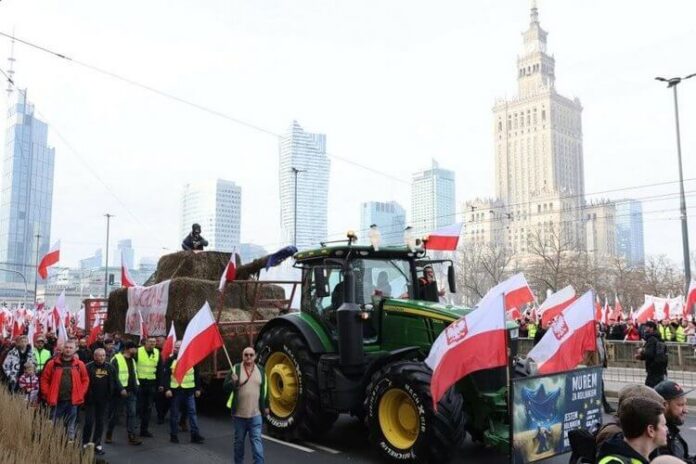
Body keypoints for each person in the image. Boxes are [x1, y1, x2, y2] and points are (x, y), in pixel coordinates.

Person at [224, 347, 269, 464]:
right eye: (246, 355)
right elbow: (225, 388)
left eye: (251, 355)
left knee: (257, 443)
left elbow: (265, 390)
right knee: (239, 444)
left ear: (255, 356)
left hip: (256, 415)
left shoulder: (261, 370)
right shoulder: (236, 369)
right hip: (239, 416)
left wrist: (266, 406)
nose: (248, 357)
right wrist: (232, 382)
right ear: (242, 356)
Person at [40, 339, 90, 441]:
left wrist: (81, 393)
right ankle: (54, 445)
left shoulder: (79, 364)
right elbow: (44, 379)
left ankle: (68, 448)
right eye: (66, 347)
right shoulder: (52, 364)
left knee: (70, 427)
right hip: (56, 401)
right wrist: (47, 393)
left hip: (72, 401)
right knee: (54, 425)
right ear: (62, 349)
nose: (68, 350)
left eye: (71, 348)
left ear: (75, 349)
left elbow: (85, 380)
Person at [596, 396, 668, 464]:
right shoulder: (613, 462)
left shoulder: (651, 456)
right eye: (664, 425)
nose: (667, 429)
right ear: (651, 430)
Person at [163, 340, 204, 444]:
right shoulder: (170, 360)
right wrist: (167, 389)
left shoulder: (191, 359)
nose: (178, 349)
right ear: (174, 348)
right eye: (176, 347)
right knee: (175, 414)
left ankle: (195, 435)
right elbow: (166, 376)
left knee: (192, 413)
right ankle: (174, 435)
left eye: (180, 347)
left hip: (189, 391)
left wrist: (198, 388)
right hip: (176, 391)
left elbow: (196, 375)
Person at [106, 341, 142, 446]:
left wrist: (137, 386)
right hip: (119, 393)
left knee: (132, 413)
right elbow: (113, 376)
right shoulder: (116, 359)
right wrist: (121, 388)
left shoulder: (133, 360)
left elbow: (134, 374)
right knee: (115, 415)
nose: (136, 350)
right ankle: (109, 433)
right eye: (134, 348)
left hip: (131, 391)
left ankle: (131, 436)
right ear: (127, 349)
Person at [82, 348, 117, 456]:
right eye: (99, 355)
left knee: (100, 423)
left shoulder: (110, 367)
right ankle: (85, 443)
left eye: (103, 355)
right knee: (89, 422)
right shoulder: (88, 367)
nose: (101, 357)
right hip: (90, 400)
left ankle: (97, 444)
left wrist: (114, 393)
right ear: (94, 356)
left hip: (103, 400)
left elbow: (115, 381)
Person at [652, 380, 695, 463]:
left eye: (685, 404)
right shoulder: (659, 437)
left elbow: (683, 459)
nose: (685, 410)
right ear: (664, 405)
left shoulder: (672, 430)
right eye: (680, 405)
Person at [134, 336, 162, 438]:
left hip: (151, 384)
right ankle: (133, 429)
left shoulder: (157, 352)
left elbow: (159, 369)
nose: (152, 343)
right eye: (150, 341)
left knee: (148, 408)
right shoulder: (138, 351)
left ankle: (144, 430)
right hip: (140, 383)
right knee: (138, 407)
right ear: (145, 342)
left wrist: (160, 384)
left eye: (154, 342)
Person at [637, 321, 669, 387]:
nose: (645, 328)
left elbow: (650, 354)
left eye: (647, 327)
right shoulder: (659, 337)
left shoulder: (651, 339)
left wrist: (641, 352)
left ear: (652, 328)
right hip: (660, 366)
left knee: (649, 390)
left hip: (653, 367)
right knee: (660, 387)